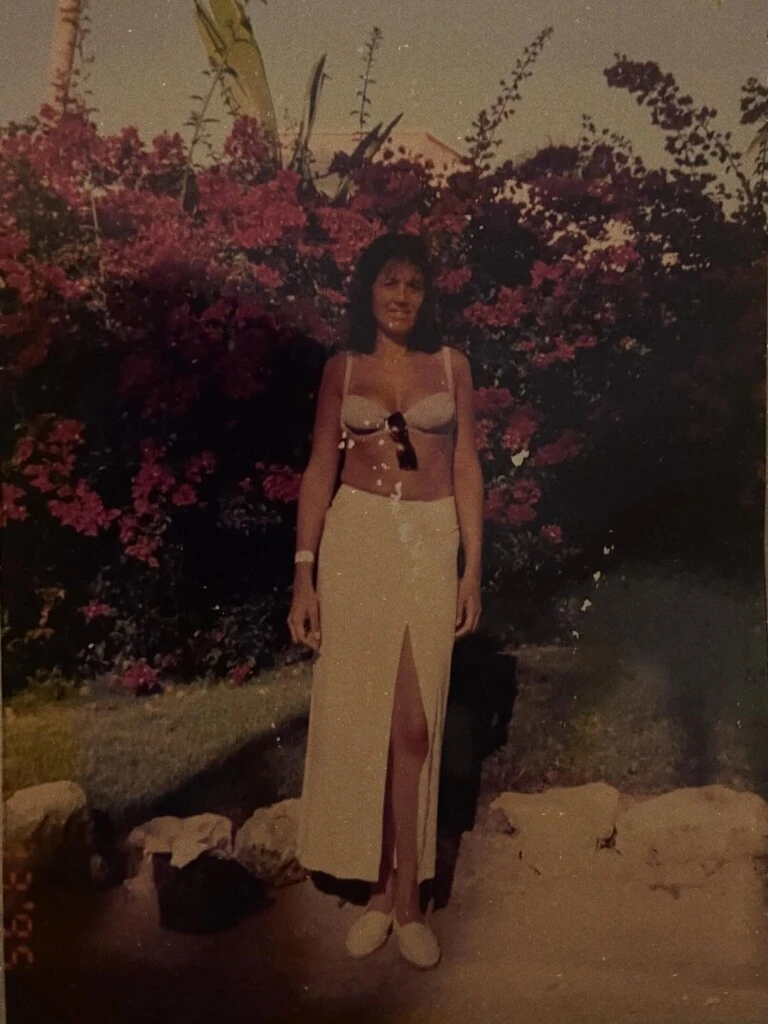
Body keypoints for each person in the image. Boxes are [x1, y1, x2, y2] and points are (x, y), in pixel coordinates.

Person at [287, 232, 484, 969]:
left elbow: (466, 465)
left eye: (414, 284)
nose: (402, 297)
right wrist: (304, 574)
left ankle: (411, 900)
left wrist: (471, 568)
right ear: (367, 290)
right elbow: (319, 468)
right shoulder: (342, 370)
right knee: (368, 717)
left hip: (428, 539)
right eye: (389, 282)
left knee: (414, 724)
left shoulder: (451, 366)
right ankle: (377, 894)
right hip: (357, 538)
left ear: (427, 295)